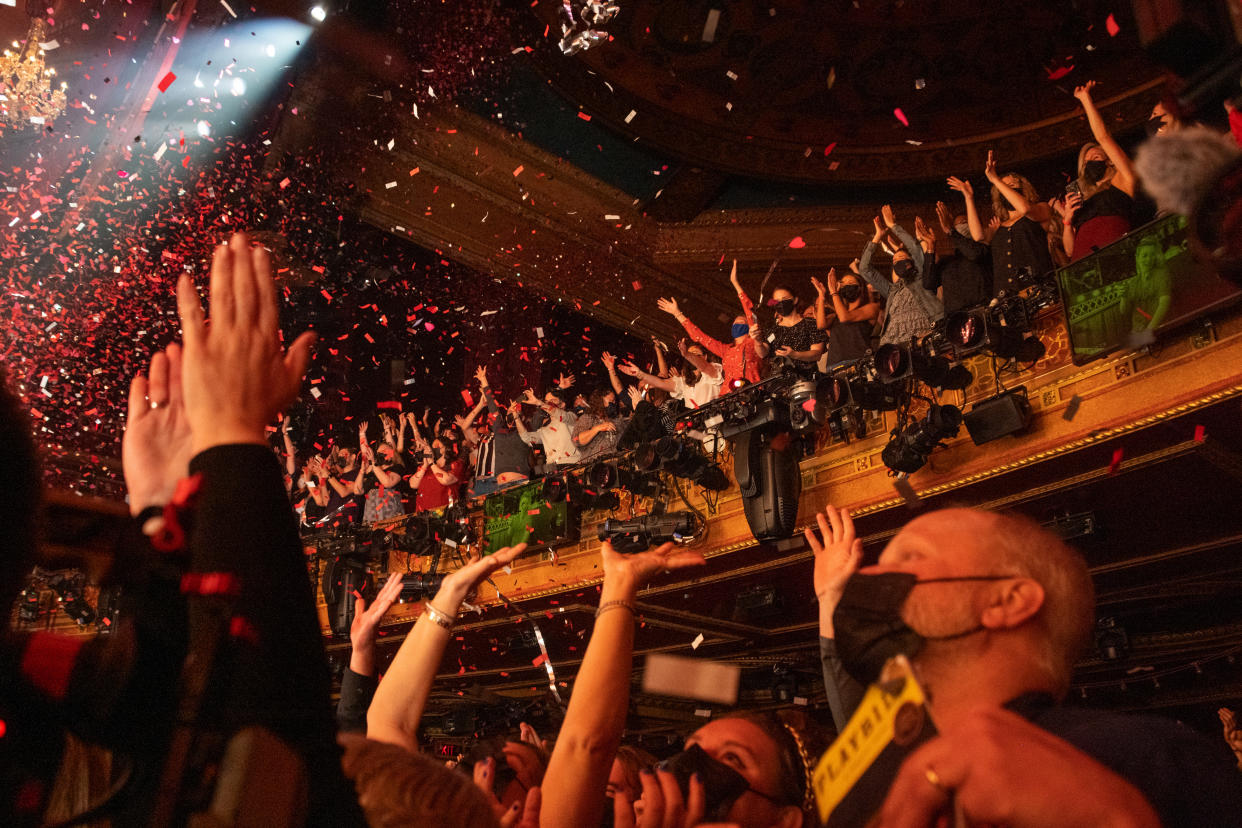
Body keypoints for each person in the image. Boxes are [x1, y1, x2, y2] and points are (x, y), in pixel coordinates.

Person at [808, 504, 1242, 828]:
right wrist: (830, 597)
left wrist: (1110, 815)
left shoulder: (1151, 760)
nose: (868, 578)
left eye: (909, 559)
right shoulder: (868, 781)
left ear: (1007, 601)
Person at [1056, 82, 1141, 263]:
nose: (1090, 164)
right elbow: (1069, 250)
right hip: (1083, 263)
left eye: (1095, 157)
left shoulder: (1123, 180)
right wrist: (1068, 220)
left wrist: (1085, 99)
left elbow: (1103, 137)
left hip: (1116, 254)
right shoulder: (1082, 198)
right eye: (1086, 163)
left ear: (1109, 159)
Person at [656, 260, 764, 390]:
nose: (737, 323)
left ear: (749, 326)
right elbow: (700, 336)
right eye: (735, 322)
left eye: (741, 321)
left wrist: (735, 283)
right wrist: (677, 313)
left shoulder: (754, 342)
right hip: (729, 398)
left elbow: (749, 311)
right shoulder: (725, 350)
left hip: (752, 393)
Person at [859, 205, 943, 347]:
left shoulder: (921, 277)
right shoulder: (891, 290)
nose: (898, 262)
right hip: (893, 342)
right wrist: (878, 236)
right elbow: (864, 269)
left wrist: (893, 226)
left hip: (921, 336)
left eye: (902, 258)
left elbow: (914, 249)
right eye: (895, 261)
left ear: (911, 261)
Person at [980, 150, 1056, 292]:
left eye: (1012, 186)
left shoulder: (1041, 208)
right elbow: (977, 236)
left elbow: (1024, 209)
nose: (1008, 191)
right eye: (1004, 188)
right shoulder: (998, 226)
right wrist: (969, 197)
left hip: (1038, 287)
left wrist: (996, 180)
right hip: (1007, 295)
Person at [925, 186, 993, 313]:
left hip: (982, 312)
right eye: (958, 225)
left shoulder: (984, 250)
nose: (962, 226)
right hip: (955, 319)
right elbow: (929, 283)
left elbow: (973, 254)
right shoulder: (948, 261)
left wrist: (951, 231)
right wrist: (930, 246)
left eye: (965, 222)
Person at [471, 366, 533, 497]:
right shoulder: (499, 429)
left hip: (519, 483)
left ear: (521, 415)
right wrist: (484, 380)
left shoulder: (526, 431)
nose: (512, 409)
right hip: (500, 487)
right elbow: (493, 406)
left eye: (516, 409)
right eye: (510, 409)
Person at [814, 268, 879, 369]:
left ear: (860, 287)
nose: (846, 285)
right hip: (835, 364)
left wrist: (833, 292)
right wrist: (822, 296)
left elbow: (845, 318)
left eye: (850, 283)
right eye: (843, 283)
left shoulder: (871, 308)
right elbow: (820, 325)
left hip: (858, 362)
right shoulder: (837, 315)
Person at [752, 286, 826, 371]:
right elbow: (762, 353)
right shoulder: (772, 329)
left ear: (795, 300)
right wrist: (758, 341)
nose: (781, 303)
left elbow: (817, 353)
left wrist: (795, 354)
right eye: (777, 301)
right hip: (779, 381)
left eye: (784, 299)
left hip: (807, 378)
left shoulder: (810, 323)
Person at [514, 374, 581, 469]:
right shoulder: (544, 429)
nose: (549, 404)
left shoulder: (571, 417)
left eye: (553, 401)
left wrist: (539, 403)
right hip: (552, 468)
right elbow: (526, 438)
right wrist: (516, 418)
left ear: (562, 405)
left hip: (572, 463)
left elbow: (560, 415)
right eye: (547, 401)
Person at [1122, 236, 1173, 334]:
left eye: (1152, 255)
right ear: (1137, 257)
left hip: (1158, 329)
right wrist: (1123, 296)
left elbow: (1164, 303)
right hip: (1137, 331)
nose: (1149, 259)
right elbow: (1124, 311)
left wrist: (1148, 331)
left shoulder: (1161, 275)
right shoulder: (1133, 282)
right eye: (1145, 255)